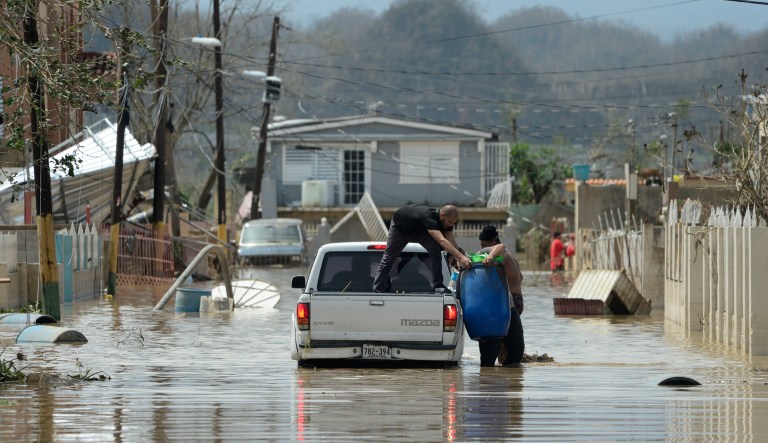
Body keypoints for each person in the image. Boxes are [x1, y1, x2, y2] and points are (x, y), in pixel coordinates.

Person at [373, 204, 471, 293]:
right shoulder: (430, 218)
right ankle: (378, 288)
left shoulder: (446, 222)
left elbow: (451, 241)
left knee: (435, 250)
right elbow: (442, 240)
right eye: (450, 222)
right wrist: (460, 257)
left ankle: (438, 286)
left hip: (420, 229)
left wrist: (457, 256)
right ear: (442, 216)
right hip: (401, 227)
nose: (451, 225)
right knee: (389, 257)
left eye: (453, 223)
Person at [476, 225, 525, 367]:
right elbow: (520, 277)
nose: (482, 248)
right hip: (516, 301)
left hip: (508, 303)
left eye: (484, 245)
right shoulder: (510, 257)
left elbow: (500, 247)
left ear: (492, 244)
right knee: (506, 344)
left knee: (501, 342)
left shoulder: (499, 254)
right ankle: (504, 371)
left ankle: (499, 370)